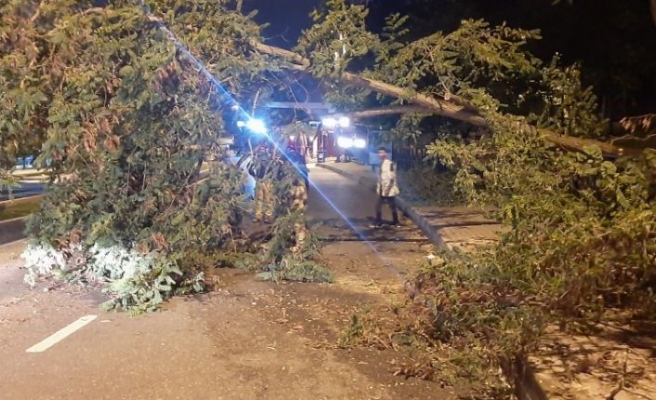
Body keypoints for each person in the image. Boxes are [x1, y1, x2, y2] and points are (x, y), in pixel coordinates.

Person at [371, 146, 400, 228]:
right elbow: (380, 177)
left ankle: (395, 221)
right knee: (379, 206)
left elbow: (392, 177)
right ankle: (379, 222)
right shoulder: (380, 164)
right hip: (382, 189)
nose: (380, 154)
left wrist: (388, 188)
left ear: (385, 153)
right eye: (379, 152)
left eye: (382, 152)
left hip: (389, 189)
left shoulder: (390, 164)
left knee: (392, 206)